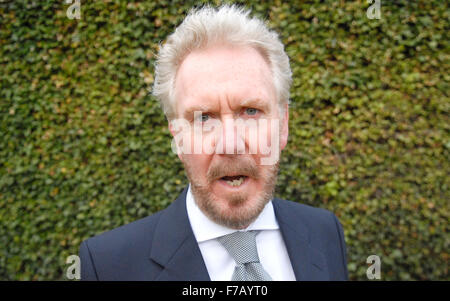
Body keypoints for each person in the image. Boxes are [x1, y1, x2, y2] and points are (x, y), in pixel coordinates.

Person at [79, 4, 348, 281]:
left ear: (283, 125)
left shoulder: (325, 231)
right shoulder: (108, 266)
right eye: (204, 117)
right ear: (178, 137)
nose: (230, 144)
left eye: (251, 111)